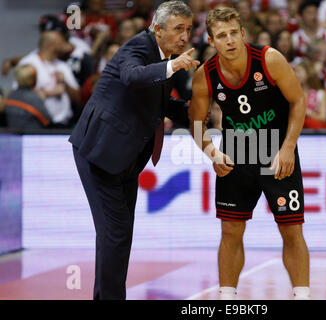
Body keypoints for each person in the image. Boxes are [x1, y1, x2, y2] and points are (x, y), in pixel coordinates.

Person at [69, 1, 199, 300]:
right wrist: (172, 66)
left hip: (124, 158)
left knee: (117, 234)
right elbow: (131, 76)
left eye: (188, 29)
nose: (184, 36)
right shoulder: (138, 47)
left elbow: (163, 107)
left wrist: (197, 112)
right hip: (100, 152)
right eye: (178, 28)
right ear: (157, 28)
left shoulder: (165, 57)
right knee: (116, 233)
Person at [189, 7, 310, 300]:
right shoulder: (205, 75)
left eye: (233, 33)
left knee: (291, 229)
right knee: (230, 230)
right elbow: (195, 123)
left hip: (276, 151)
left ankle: (303, 296)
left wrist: (289, 147)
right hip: (236, 155)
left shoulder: (270, 59)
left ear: (242, 33)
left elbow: (298, 101)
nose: (228, 40)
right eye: (221, 36)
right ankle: (227, 297)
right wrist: (211, 152)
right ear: (211, 40)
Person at [16, 31, 81, 128]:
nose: (66, 44)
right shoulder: (29, 63)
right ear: (51, 45)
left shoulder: (62, 66)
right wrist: (48, 93)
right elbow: (19, 96)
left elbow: (78, 98)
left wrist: (65, 84)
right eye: (61, 42)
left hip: (64, 125)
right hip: (39, 125)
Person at [4, 65, 51, 130]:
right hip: (32, 135)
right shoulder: (34, 99)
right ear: (32, 79)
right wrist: (41, 99)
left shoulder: (9, 95)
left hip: (11, 135)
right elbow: (48, 121)